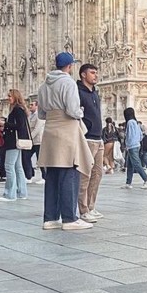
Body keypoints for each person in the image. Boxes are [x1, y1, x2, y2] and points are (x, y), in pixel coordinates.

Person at [36, 52, 94, 231]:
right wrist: (81, 112)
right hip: (66, 130)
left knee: (52, 175)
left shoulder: (44, 85)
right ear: (69, 66)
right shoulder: (68, 82)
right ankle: (69, 218)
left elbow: (41, 114)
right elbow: (72, 110)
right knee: (70, 170)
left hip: (50, 131)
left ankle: (50, 218)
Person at [77, 64, 104, 223]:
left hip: (98, 137)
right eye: (92, 73)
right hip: (87, 138)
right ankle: (83, 209)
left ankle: (91, 206)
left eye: (96, 72)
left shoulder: (95, 93)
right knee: (85, 175)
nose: (96, 75)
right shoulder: (79, 92)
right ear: (83, 75)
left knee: (97, 174)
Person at [0, 89, 31, 202]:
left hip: (13, 142)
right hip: (16, 141)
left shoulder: (17, 109)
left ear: (15, 97)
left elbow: (19, 126)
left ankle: (10, 194)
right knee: (18, 167)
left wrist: (4, 124)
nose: (8, 98)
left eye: (10, 96)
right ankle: (22, 193)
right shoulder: (19, 109)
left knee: (9, 166)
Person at [123, 107, 147, 188]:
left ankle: (146, 179)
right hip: (136, 145)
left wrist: (127, 144)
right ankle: (128, 183)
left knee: (136, 164)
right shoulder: (136, 123)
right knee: (130, 165)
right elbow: (140, 135)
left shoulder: (129, 122)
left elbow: (130, 135)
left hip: (132, 146)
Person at [28, 98, 46, 183]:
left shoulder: (40, 115)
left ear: (37, 106)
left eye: (32, 105)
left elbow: (37, 129)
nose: (30, 106)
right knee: (26, 157)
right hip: (32, 141)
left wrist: (29, 138)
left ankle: (44, 177)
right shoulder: (30, 115)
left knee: (40, 159)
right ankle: (30, 174)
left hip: (39, 141)